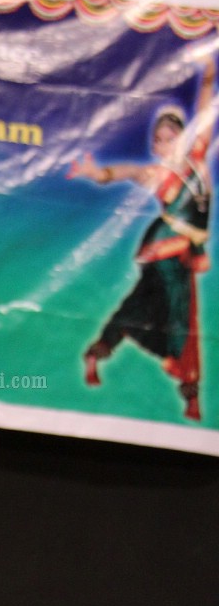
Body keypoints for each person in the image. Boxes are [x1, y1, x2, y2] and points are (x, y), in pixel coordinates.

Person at [75, 52, 215, 423]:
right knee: (182, 319)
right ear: (156, 145)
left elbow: (204, 113)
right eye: (161, 138)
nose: (166, 142)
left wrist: (208, 77)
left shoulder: (196, 158)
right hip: (168, 251)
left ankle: (99, 352)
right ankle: (189, 391)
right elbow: (125, 171)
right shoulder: (156, 173)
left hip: (173, 252)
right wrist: (97, 173)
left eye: (173, 136)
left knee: (139, 308)